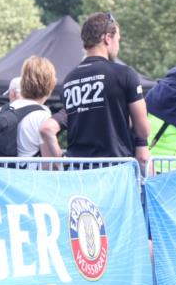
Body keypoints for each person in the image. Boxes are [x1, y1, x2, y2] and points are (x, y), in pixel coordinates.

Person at [43, 12, 150, 170]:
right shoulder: (124, 74)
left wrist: (61, 161)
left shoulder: (69, 80)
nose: (118, 46)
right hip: (114, 170)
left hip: (79, 171)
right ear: (108, 38)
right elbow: (143, 130)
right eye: (118, 40)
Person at [10, 56, 55, 164]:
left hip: (2, 172)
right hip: (29, 173)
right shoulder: (42, 115)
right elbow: (48, 164)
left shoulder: (6, 108)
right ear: (50, 83)